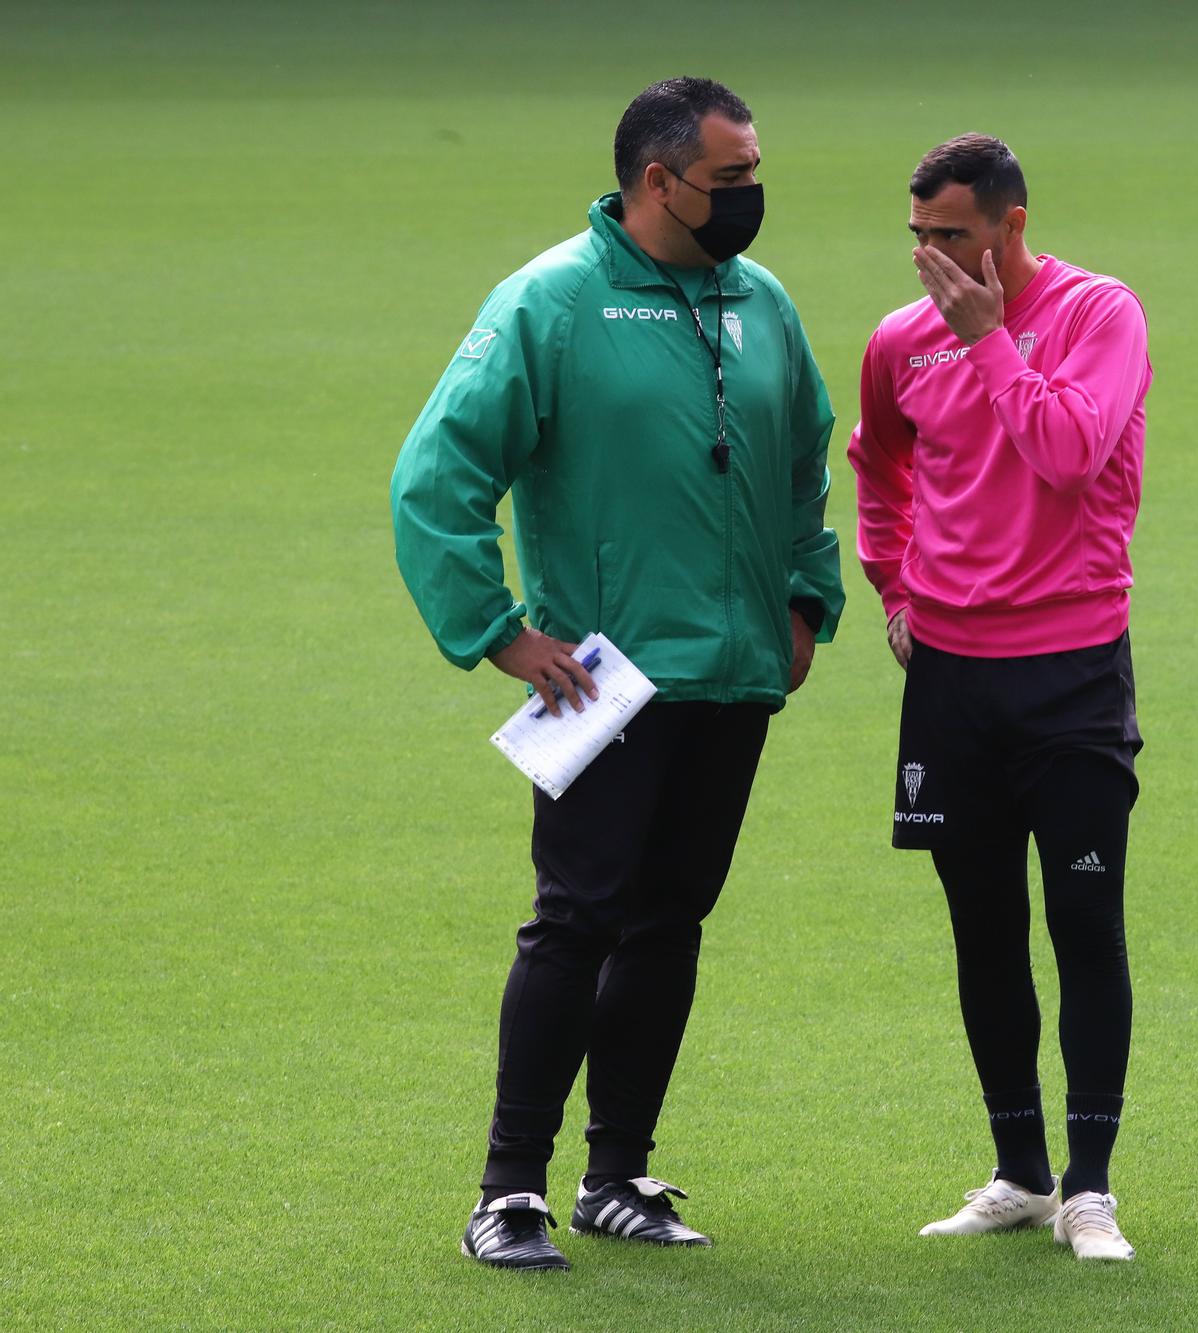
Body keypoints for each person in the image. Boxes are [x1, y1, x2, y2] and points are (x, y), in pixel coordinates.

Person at [389, 77, 842, 1272]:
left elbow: (802, 460)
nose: (751, 197)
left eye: (754, 173)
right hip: (605, 686)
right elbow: (433, 480)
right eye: (731, 178)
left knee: (670, 923)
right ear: (659, 180)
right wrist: (499, 630)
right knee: (575, 921)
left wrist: (807, 599)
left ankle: (617, 1175)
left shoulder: (762, 302)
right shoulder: (551, 301)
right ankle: (508, 1189)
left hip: (737, 675)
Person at [847, 134, 1153, 1261]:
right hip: (952, 685)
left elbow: (1068, 450)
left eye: (954, 237)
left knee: (1082, 922)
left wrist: (985, 342)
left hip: (1070, 670)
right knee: (981, 928)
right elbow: (877, 466)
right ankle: (1019, 1172)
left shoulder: (1097, 314)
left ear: (1011, 225)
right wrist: (891, 585)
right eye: (919, 237)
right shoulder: (897, 341)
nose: (932, 259)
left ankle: (1090, 1189)